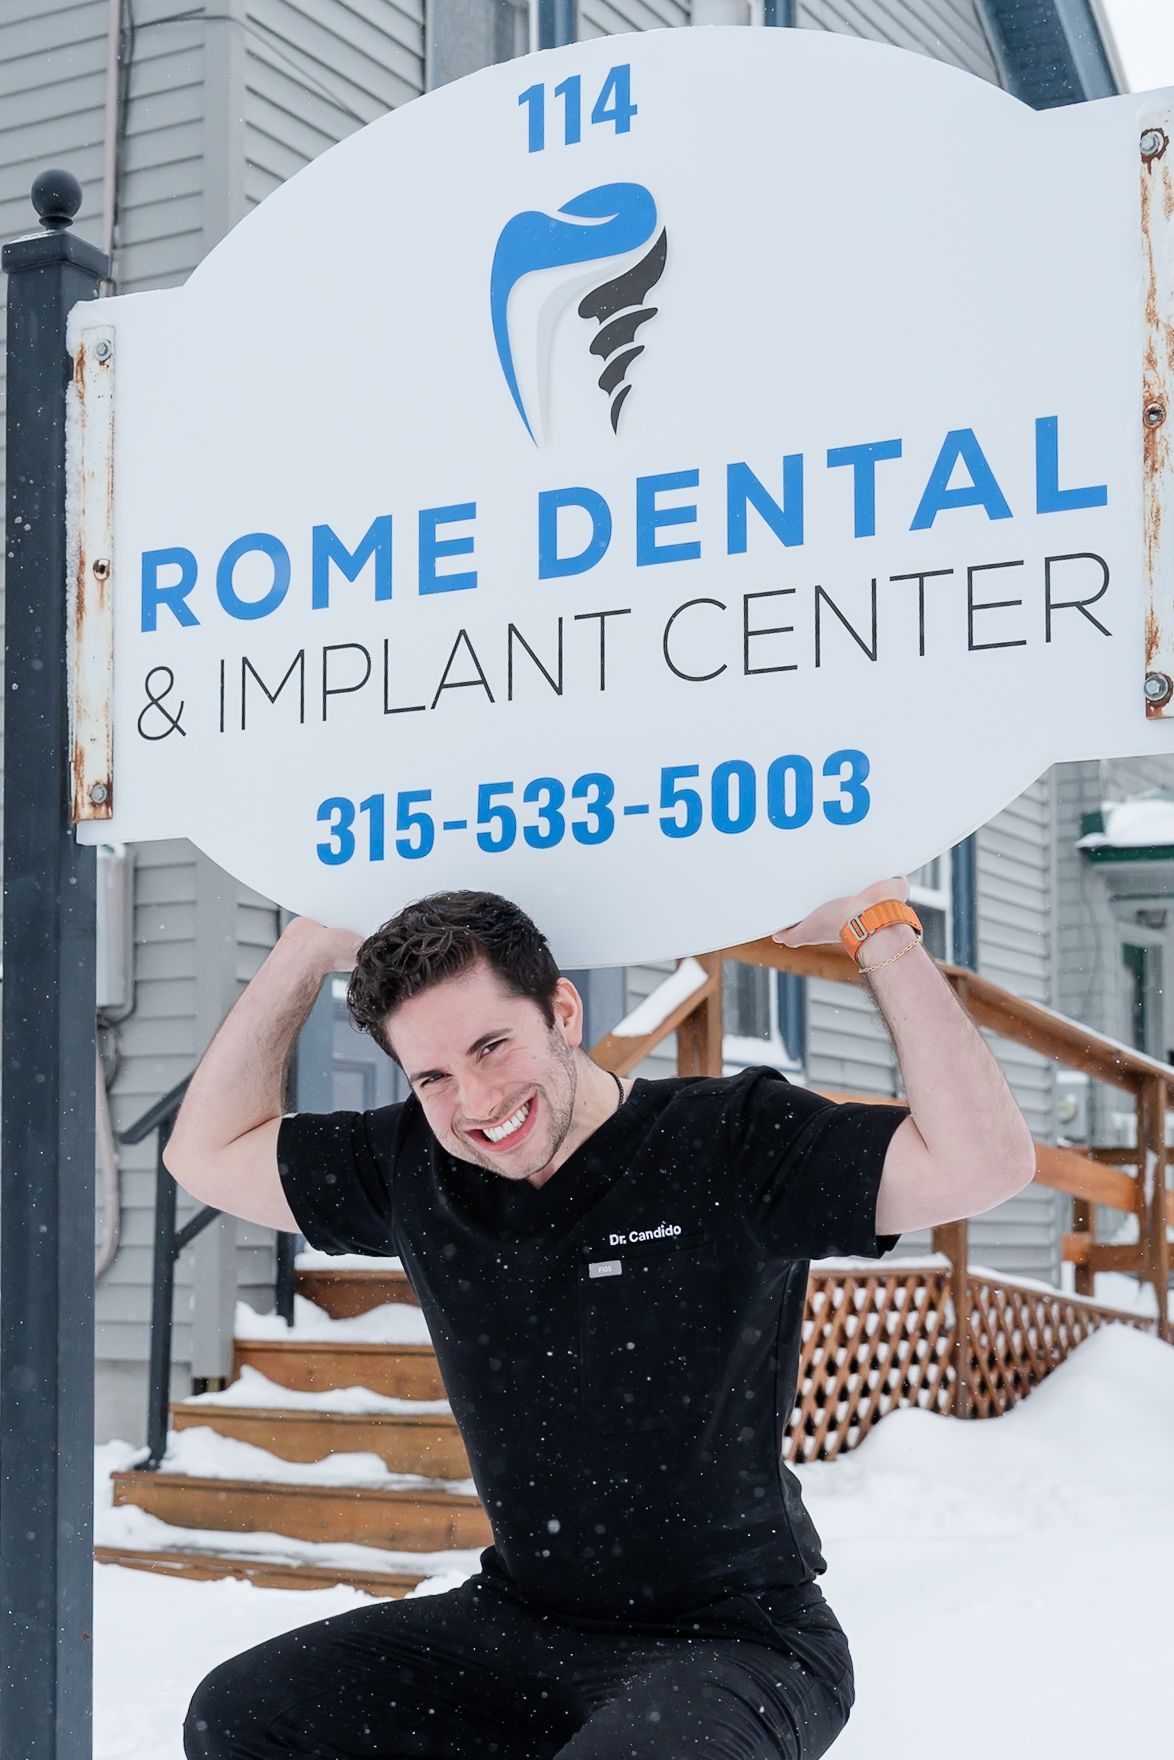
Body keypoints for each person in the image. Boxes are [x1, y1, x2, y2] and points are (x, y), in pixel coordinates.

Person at [169, 877, 1035, 1759]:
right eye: (433, 1076)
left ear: (563, 1011)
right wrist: (304, 949)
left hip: (735, 1642)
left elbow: (984, 1162)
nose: (476, 1104)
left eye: (492, 1047)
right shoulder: (413, 1165)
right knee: (241, 1714)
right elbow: (206, 1153)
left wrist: (878, 927)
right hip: (520, 1624)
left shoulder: (726, 1140)